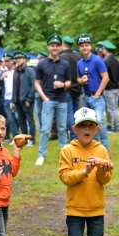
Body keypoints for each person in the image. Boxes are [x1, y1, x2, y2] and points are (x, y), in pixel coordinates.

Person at [59, 107, 113, 236]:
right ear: (74, 129)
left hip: (96, 209)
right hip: (75, 210)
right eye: (82, 125)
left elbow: (105, 179)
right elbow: (65, 177)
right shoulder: (67, 150)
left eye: (90, 125)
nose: (86, 129)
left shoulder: (101, 150)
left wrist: (102, 171)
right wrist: (84, 172)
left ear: (97, 129)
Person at [35, 34, 71, 165]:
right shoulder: (42, 64)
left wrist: (63, 85)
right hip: (48, 100)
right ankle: (41, 155)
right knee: (45, 129)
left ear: (60, 47)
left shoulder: (65, 64)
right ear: (48, 47)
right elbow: (37, 83)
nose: (54, 48)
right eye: (52, 45)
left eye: (57, 45)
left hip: (62, 100)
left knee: (62, 129)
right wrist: (44, 97)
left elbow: (69, 82)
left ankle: (64, 155)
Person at [76, 33, 110, 152]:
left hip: (97, 97)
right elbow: (78, 78)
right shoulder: (79, 63)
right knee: (88, 124)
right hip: (86, 97)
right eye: (82, 46)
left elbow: (106, 77)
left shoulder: (97, 60)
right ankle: (93, 149)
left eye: (86, 45)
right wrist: (81, 80)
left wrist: (97, 94)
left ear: (90, 46)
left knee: (99, 121)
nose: (84, 48)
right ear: (79, 48)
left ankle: (105, 149)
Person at [10, 51, 36, 146]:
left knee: (30, 120)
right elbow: (14, 87)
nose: (18, 60)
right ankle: (24, 139)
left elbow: (33, 86)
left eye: (20, 58)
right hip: (17, 101)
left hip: (26, 101)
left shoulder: (30, 71)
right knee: (21, 121)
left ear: (24, 60)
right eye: (16, 59)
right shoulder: (15, 71)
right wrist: (13, 100)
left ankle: (32, 139)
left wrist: (29, 99)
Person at [60, 35, 82, 140]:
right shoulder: (78, 56)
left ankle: (73, 136)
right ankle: (77, 134)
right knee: (76, 112)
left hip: (67, 88)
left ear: (63, 44)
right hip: (78, 88)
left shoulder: (61, 57)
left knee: (69, 113)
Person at [102, 40, 119, 134]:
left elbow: (105, 76)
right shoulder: (116, 61)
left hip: (109, 88)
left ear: (105, 50)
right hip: (116, 88)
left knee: (112, 109)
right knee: (114, 108)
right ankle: (112, 125)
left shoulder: (105, 61)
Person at [0, 53, 19, 145]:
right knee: (10, 119)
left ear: (12, 62)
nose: (6, 63)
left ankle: (22, 135)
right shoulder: (3, 72)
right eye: (5, 61)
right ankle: (15, 137)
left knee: (18, 118)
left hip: (16, 99)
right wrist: (1, 78)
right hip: (6, 99)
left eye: (8, 61)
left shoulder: (16, 71)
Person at [35, 51, 48, 131]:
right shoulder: (37, 68)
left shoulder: (48, 67)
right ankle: (41, 127)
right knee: (38, 112)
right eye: (39, 59)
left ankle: (46, 127)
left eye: (41, 58)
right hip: (37, 93)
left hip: (46, 93)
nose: (40, 60)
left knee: (46, 112)